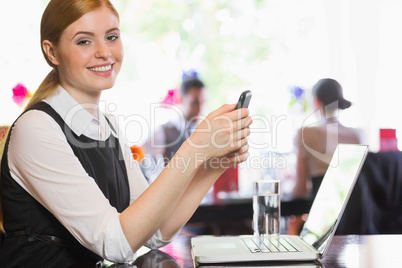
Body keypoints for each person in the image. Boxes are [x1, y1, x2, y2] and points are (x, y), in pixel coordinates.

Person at [0, 0, 252, 267]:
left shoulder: (107, 125)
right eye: (84, 41)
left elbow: (156, 229)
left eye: (111, 37)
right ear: (52, 52)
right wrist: (195, 147)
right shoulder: (36, 129)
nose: (104, 52)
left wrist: (213, 164)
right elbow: (116, 243)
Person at [292, 78, 365, 200]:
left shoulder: (306, 134)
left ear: (316, 101)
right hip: (356, 212)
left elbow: (300, 189)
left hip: (324, 213)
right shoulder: (356, 135)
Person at [144, 77, 206, 168]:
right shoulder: (161, 132)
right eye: (195, 103)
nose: (200, 109)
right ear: (181, 99)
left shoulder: (202, 133)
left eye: (203, 102)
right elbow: (142, 163)